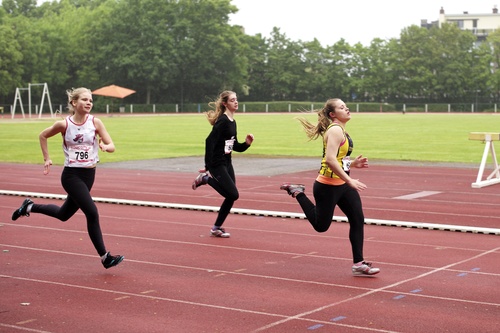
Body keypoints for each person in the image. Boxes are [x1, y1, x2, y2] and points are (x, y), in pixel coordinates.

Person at [11, 87, 124, 269]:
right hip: (72, 176)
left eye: (91, 100)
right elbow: (42, 135)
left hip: (89, 175)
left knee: (64, 215)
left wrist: (105, 147)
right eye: (85, 100)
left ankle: (29, 206)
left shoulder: (96, 122)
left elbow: (112, 145)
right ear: (74, 103)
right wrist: (47, 158)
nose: (89, 103)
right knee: (92, 212)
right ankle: (105, 257)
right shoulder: (64, 124)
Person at [280, 98, 380, 276]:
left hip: (343, 185)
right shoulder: (335, 130)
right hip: (327, 186)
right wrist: (350, 180)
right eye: (342, 107)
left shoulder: (341, 130)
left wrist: (353, 163)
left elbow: (339, 159)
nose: (347, 109)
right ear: (333, 114)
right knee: (321, 226)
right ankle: (297, 192)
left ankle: (358, 263)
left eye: (346, 106)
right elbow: (330, 160)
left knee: (357, 218)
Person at [192, 90, 254, 238]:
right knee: (234, 194)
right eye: (232, 100)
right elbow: (209, 141)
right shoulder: (223, 121)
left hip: (227, 163)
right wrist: (207, 166)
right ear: (225, 103)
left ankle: (216, 228)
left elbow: (233, 146)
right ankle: (205, 179)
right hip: (217, 163)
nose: (236, 102)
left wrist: (246, 144)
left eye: (236, 99)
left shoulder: (232, 122)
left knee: (231, 196)